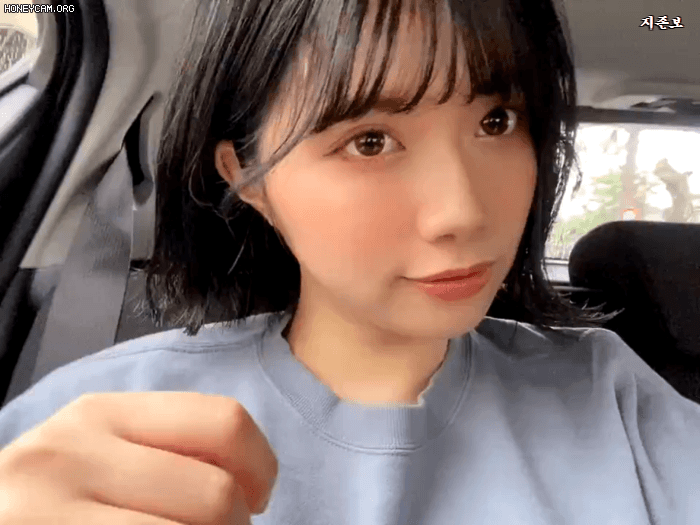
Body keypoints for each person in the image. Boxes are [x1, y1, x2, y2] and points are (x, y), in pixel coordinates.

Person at [0, 0, 699, 523]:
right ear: (247, 178)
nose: (461, 211)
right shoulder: (93, 422)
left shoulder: (612, 396)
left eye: (497, 121)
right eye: (370, 141)